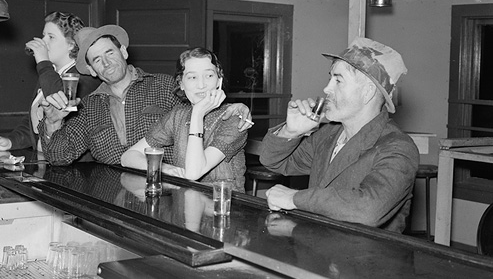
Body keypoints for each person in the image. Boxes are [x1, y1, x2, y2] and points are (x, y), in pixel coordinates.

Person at [259, 37, 419, 233]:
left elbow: (368, 210)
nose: (327, 88)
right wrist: (291, 131)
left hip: (366, 260)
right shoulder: (328, 135)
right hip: (318, 249)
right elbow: (273, 161)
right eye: (330, 79)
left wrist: (294, 198)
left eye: (338, 80)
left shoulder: (397, 147)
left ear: (368, 92)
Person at [38, 25, 252, 166]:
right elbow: (59, 157)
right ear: (93, 70)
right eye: (96, 59)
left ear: (123, 52)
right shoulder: (88, 107)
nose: (106, 62)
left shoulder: (164, 85)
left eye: (110, 52)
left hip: (168, 186)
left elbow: (203, 107)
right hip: (113, 194)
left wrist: (233, 108)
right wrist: (52, 122)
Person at [121, 48, 247, 192]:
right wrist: (164, 168)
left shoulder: (234, 118)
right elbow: (127, 158)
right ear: (181, 83)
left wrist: (198, 113)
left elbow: (194, 172)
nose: (201, 85)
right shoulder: (178, 115)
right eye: (192, 77)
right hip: (185, 201)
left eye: (209, 75)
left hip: (224, 206)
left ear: (219, 80)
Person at [0, 12, 100, 152]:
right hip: (46, 159)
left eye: (51, 37)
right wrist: (11, 141)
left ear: (71, 45)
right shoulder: (50, 73)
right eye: (43, 35)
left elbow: (59, 104)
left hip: (74, 166)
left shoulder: (83, 76)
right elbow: (35, 120)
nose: (43, 41)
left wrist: (43, 62)